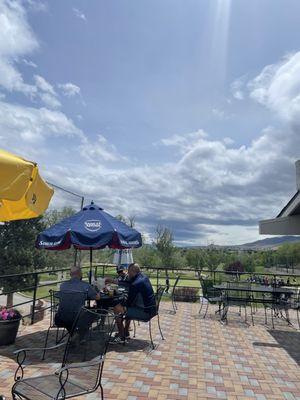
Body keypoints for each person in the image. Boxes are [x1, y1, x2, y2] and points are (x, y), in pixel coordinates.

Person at [111, 263, 156, 344]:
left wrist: (120, 302)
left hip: (145, 312)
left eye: (128, 271)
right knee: (125, 307)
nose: (127, 273)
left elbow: (129, 302)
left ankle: (121, 336)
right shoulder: (143, 277)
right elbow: (128, 283)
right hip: (152, 309)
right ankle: (126, 332)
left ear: (132, 271)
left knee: (117, 308)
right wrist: (114, 281)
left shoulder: (136, 284)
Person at [54, 266, 100, 337]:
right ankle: (81, 334)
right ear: (80, 274)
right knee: (94, 304)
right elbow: (97, 297)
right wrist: (98, 290)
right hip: (79, 318)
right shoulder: (86, 286)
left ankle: (73, 333)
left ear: (70, 274)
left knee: (74, 305)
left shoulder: (63, 285)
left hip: (61, 318)